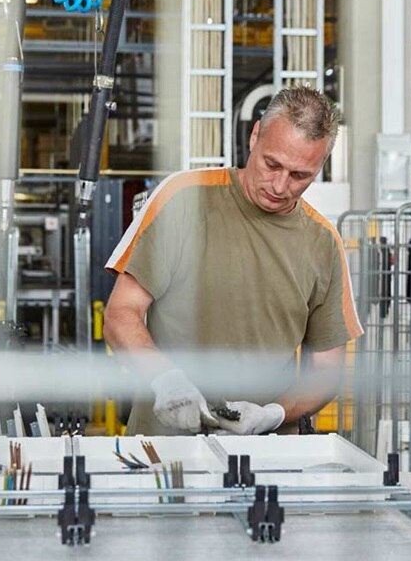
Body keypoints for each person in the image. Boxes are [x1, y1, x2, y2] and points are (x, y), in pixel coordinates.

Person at [104, 85, 363, 436]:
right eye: (272, 164)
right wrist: (165, 381)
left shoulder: (323, 243)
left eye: (300, 175)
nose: (280, 185)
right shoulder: (184, 201)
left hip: (266, 457)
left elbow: (327, 371)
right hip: (166, 449)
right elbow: (121, 314)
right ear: (255, 136)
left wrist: (272, 414)